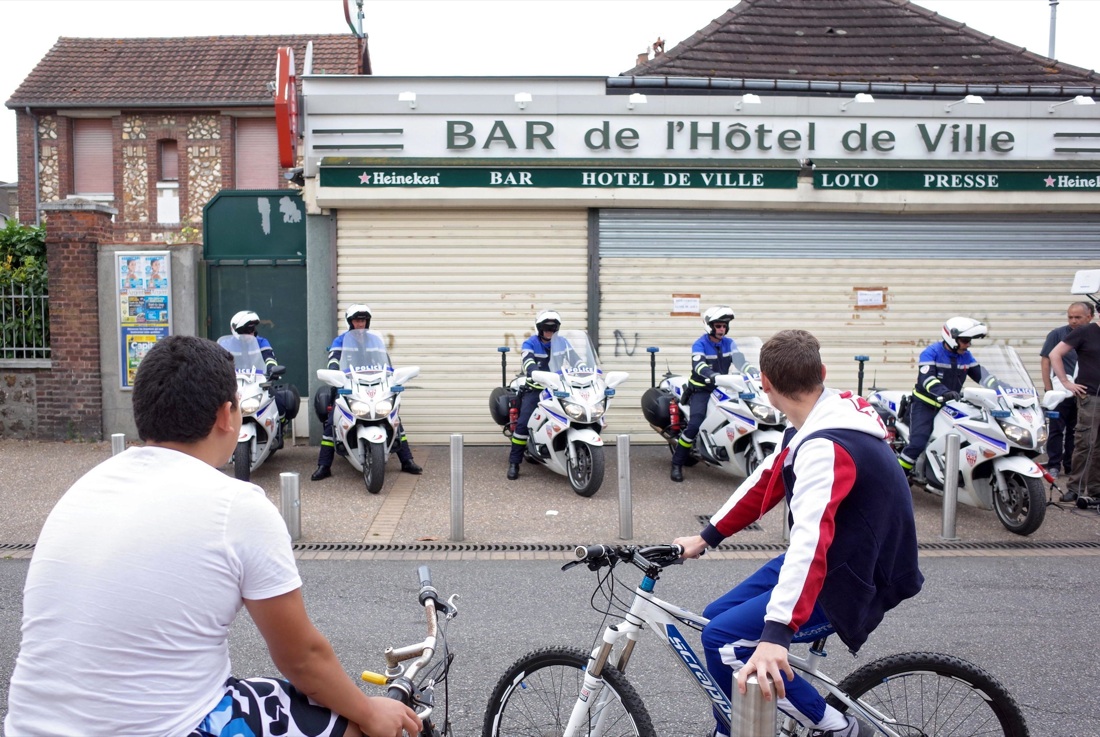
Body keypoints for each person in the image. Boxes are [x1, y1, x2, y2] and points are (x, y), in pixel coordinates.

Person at [4, 335, 420, 737]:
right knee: (350, 725)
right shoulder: (236, 505)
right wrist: (369, 712)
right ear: (226, 415)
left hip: (27, 725)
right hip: (168, 727)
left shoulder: (85, 488)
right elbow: (304, 660)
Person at [674, 329, 923, 737]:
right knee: (714, 621)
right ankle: (736, 725)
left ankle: (838, 728)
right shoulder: (818, 418)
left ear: (765, 384)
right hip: (843, 553)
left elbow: (811, 542)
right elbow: (765, 480)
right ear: (822, 372)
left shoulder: (826, 446)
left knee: (727, 642)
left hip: (853, 572)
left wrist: (777, 634)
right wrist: (706, 537)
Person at [311, 304, 422, 481]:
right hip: (347, 384)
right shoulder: (341, 340)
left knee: (393, 418)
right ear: (350, 322)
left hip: (374, 384)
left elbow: (386, 364)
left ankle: (407, 460)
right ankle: (324, 465)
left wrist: (392, 378)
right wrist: (334, 375)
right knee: (331, 421)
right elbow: (333, 361)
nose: (360, 324)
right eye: (357, 320)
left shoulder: (375, 341)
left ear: (367, 321)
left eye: (362, 320)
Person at [898, 316, 1004, 477]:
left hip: (951, 404)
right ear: (952, 338)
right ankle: (898, 477)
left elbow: (982, 376)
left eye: (969, 341)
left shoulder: (966, 356)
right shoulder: (931, 353)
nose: (968, 344)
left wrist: (1001, 387)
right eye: (965, 340)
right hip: (926, 405)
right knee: (918, 443)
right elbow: (926, 379)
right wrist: (943, 392)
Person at [670, 305, 748, 482]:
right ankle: (677, 464)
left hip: (723, 388)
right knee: (695, 424)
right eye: (718, 326)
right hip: (701, 389)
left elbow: (741, 361)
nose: (721, 329)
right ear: (710, 326)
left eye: (724, 326)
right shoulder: (700, 344)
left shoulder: (729, 343)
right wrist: (713, 376)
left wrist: (754, 372)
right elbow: (699, 366)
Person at [1050, 303, 1100, 503]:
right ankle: (1075, 488)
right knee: (1085, 443)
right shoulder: (1086, 331)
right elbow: (1055, 354)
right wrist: (1066, 382)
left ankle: (1096, 489)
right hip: (1091, 397)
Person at [507, 309, 563, 480]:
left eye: (552, 328)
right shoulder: (530, 343)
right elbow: (527, 360)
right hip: (536, 389)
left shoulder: (563, 343)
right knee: (523, 424)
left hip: (559, 388)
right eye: (546, 328)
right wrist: (533, 370)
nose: (549, 331)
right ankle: (514, 462)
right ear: (539, 328)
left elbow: (577, 360)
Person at [1040, 302, 1093, 481]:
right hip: (1059, 392)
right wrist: (1049, 390)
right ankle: (1054, 464)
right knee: (1056, 430)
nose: (1073, 321)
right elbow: (1046, 361)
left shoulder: (1093, 335)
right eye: (1070, 317)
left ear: (1090, 316)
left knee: (1075, 431)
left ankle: (1070, 466)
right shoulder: (1058, 334)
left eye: (1078, 317)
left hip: (1083, 393)